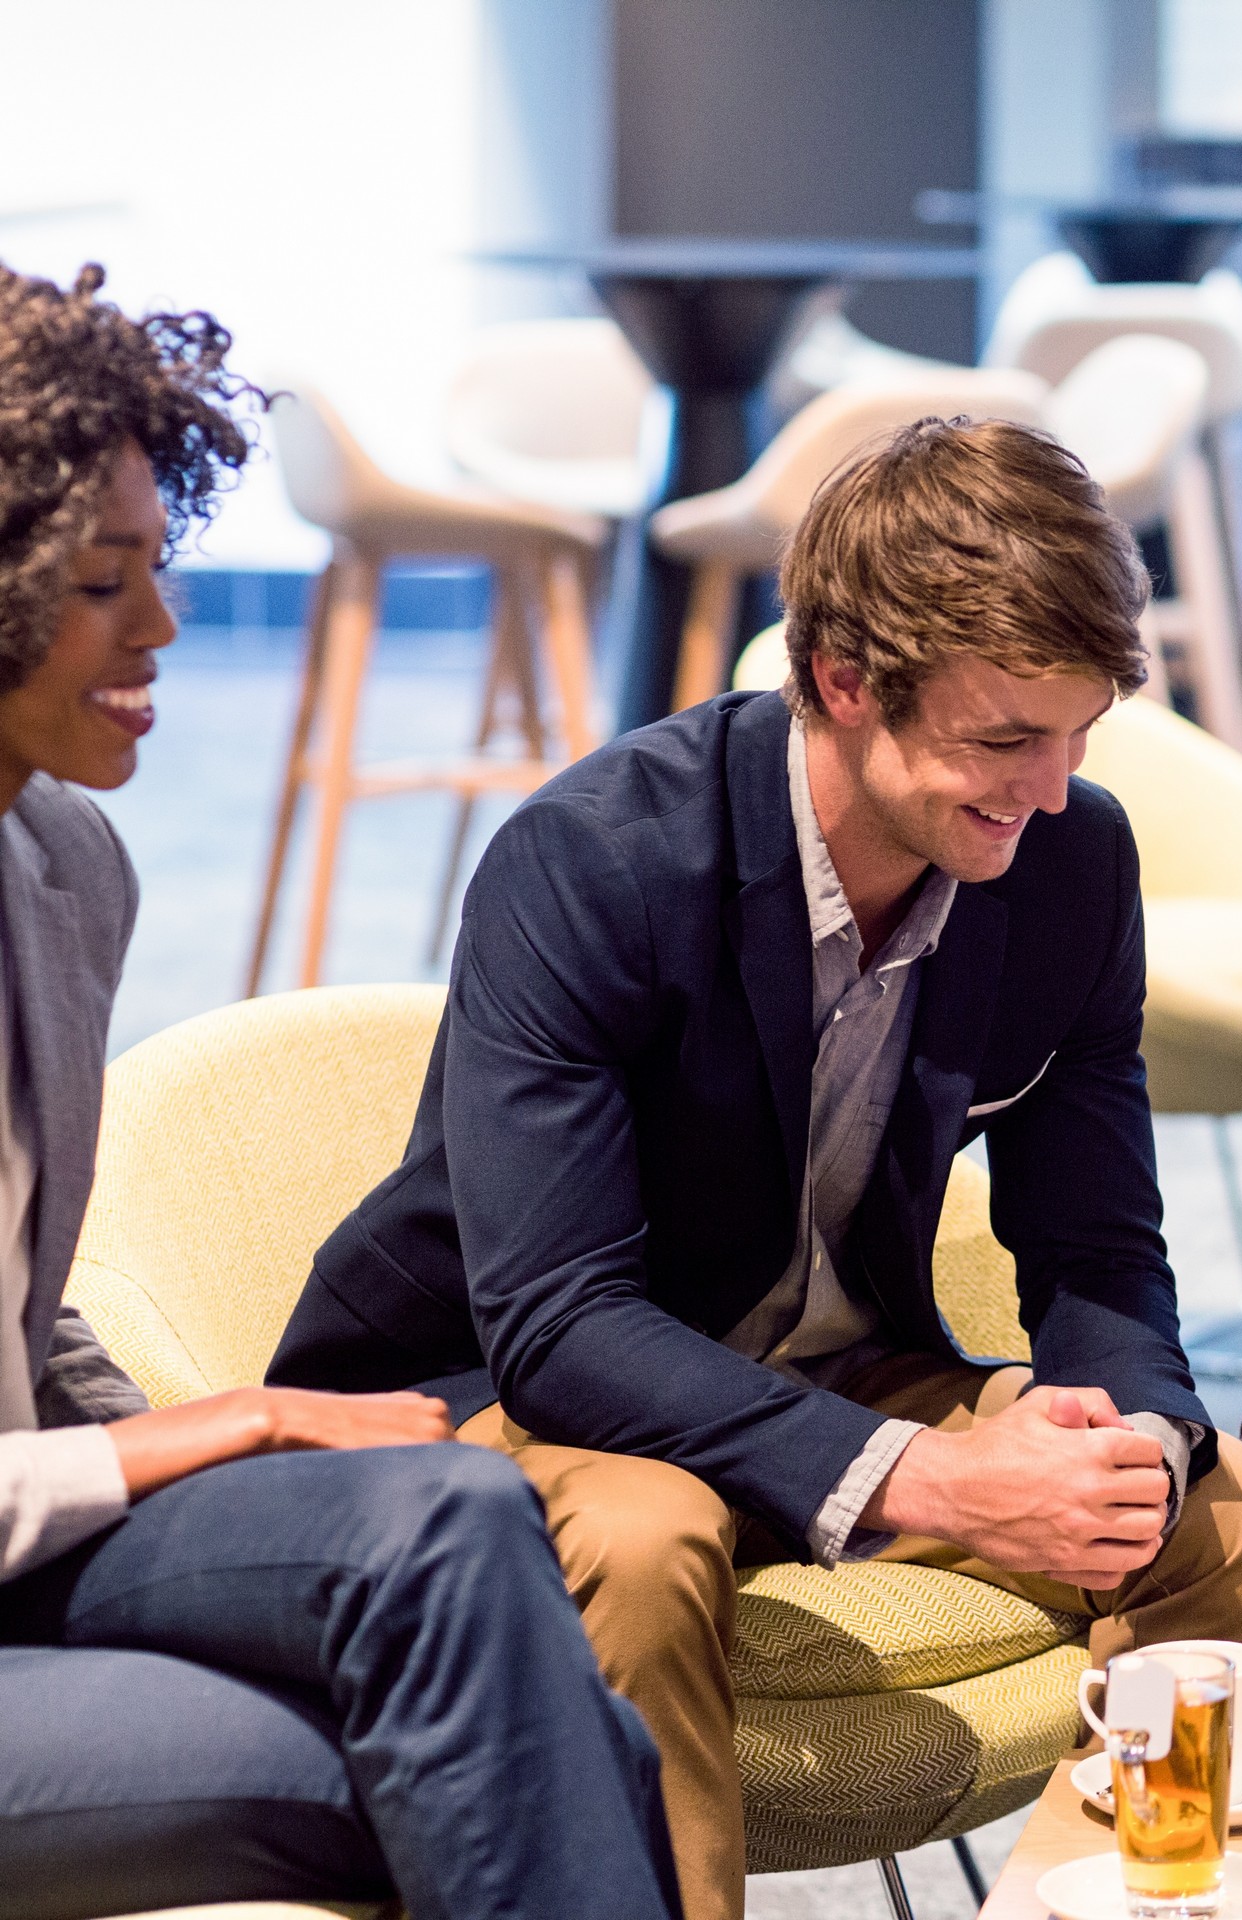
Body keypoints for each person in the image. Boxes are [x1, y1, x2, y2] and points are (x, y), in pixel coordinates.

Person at [266, 415, 1242, 1920]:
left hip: (834, 1376)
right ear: (840, 682)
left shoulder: (1072, 862)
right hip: (508, 1393)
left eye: (1082, 735)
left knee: (1236, 1519)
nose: (1054, 789)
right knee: (644, 1534)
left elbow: (1097, 1245)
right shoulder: (597, 862)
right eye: (1008, 739)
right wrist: (937, 1473)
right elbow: (559, 1325)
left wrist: (1136, 1433)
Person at [0, 263, 679, 1920]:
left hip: (32, 1531)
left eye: (157, 570)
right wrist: (220, 1430)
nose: (160, 630)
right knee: (531, 1746)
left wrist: (209, 1444)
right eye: (102, 584)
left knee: (448, 1509)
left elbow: (22, 1320)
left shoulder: (62, 865)